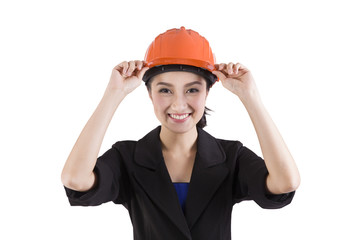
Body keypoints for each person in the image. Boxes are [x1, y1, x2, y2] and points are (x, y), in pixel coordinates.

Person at [61, 26, 300, 240]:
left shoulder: (230, 157)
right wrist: (114, 94)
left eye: (192, 90)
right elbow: (76, 179)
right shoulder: (128, 157)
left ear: (207, 92)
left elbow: (285, 183)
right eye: (165, 90)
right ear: (149, 93)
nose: (178, 105)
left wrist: (251, 98)